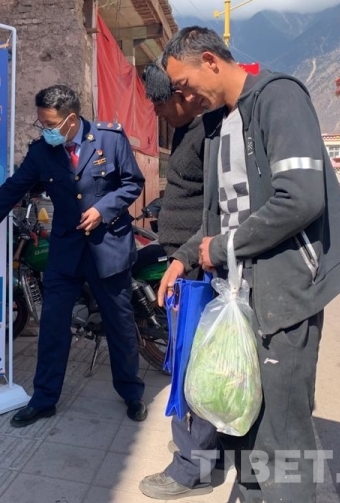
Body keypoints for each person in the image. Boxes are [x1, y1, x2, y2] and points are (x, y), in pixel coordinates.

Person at [158, 26, 340, 502]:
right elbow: (217, 217)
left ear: (210, 61)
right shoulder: (219, 125)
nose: (184, 97)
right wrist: (185, 257)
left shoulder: (279, 98)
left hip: (283, 294)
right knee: (243, 420)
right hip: (240, 295)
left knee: (282, 435)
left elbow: (300, 199)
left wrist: (220, 249)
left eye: (184, 85)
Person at [0, 84, 147, 427]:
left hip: (108, 246)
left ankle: (131, 392)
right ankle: (44, 398)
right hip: (66, 251)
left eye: (50, 124)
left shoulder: (110, 139)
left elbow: (132, 183)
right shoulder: (42, 152)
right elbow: (11, 191)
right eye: (41, 123)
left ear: (71, 120)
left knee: (120, 324)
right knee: (52, 325)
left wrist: (103, 210)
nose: (45, 130)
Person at [137, 61, 218, 500]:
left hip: (196, 267)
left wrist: (185, 259)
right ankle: (200, 449)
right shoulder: (189, 133)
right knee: (189, 360)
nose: (157, 113)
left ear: (182, 94)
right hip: (183, 262)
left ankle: (191, 467)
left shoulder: (210, 133)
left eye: (160, 104)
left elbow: (216, 211)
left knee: (192, 366)